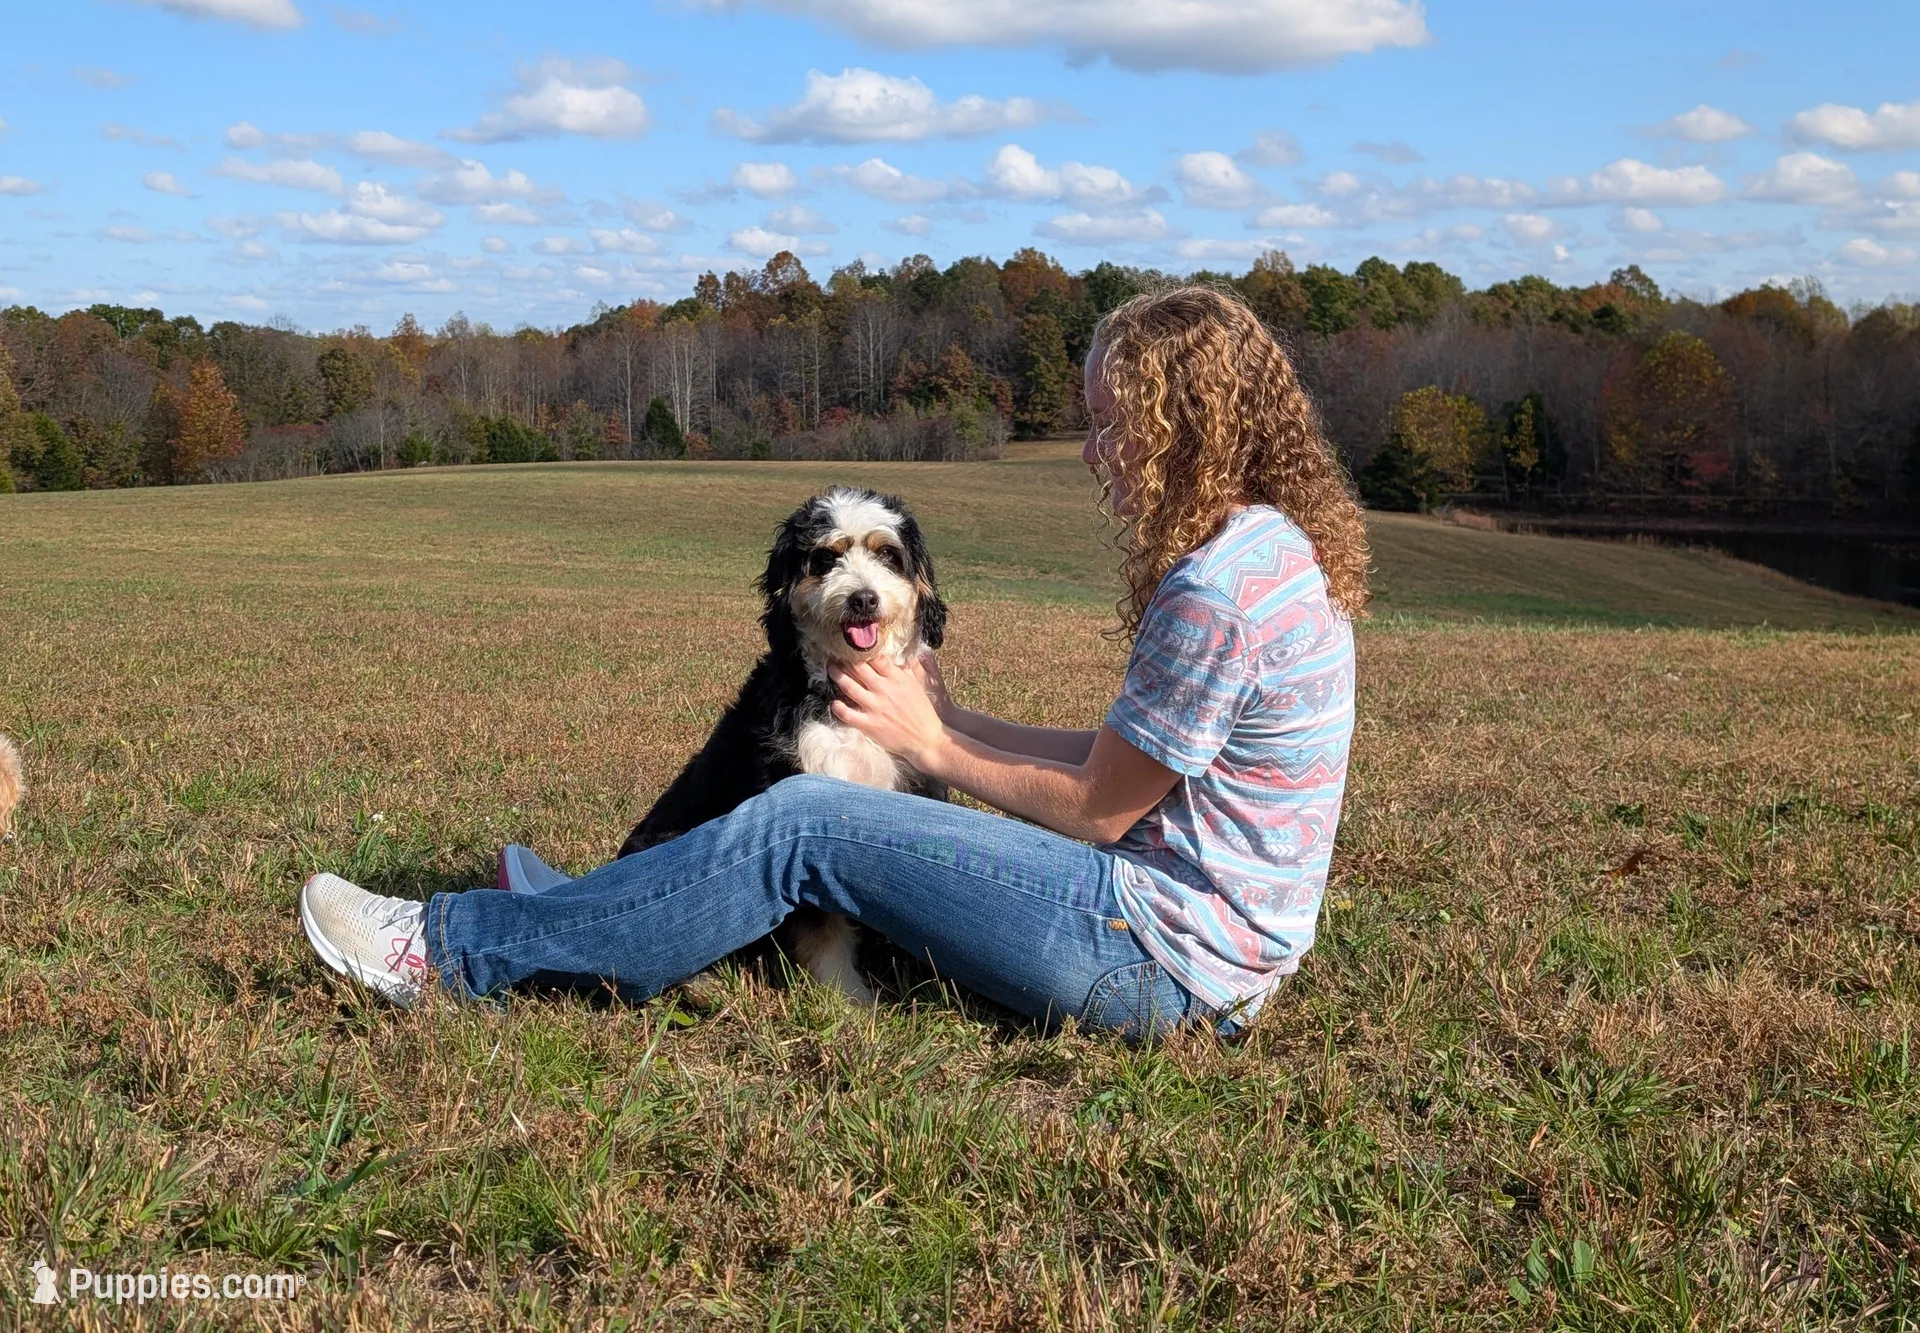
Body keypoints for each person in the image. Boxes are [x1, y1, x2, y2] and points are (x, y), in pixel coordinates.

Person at [299, 285, 1370, 1040]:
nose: (1094, 453)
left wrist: (934, 747)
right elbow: (1128, 763)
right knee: (811, 816)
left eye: (1111, 427)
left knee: (808, 819)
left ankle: (450, 951)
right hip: (1219, 956)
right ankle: (593, 904)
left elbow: (1099, 807)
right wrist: (950, 721)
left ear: (1185, 429)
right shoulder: (1274, 554)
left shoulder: (1214, 594)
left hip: (1160, 963)